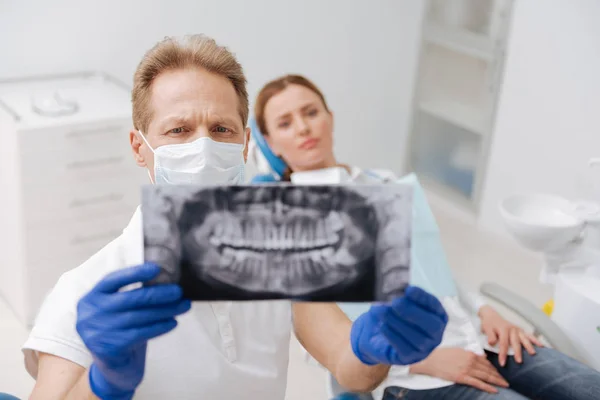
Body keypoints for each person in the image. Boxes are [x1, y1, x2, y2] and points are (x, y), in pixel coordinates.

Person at [21, 35, 449, 400]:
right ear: (139, 147)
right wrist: (102, 383)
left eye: (222, 130)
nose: (203, 147)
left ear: (245, 145)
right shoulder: (84, 290)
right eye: (178, 130)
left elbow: (347, 363)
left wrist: (371, 348)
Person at [250, 73, 600, 400]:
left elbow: (434, 272)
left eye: (310, 112)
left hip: (481, 337)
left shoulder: (384, 182)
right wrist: (422, 361)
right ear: (271, 143)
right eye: (285, 123)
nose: (302, 128)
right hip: (417, 376)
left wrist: (485, 311)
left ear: (330, 117)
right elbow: (321, 344)